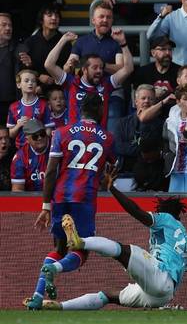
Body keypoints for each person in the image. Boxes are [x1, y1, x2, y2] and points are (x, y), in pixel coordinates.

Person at [41, 168, 187, 310]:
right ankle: (61, 306)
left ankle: (80, 242)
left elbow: (136, 211)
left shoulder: (165, 218)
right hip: (163, 295)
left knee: (122, 251)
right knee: (109, 296)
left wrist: (112, 189)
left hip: (160, 275)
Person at [25, 94, 115, 310]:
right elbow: (110, 172)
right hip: (84, 198)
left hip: (61, 196)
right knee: (81, 250)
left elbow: (50, 171)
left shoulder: (61, 133)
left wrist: (46, 206)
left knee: (59, 246)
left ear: (80, 111)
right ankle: (55, 269)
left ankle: (37, 295)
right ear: (100, 112)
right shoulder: (107, 138)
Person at [44, 30, 134, 129]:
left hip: (98, 139)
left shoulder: (106, 84)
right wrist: (63, 40)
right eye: (95, 68)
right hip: (75, 138)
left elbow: (128, 69)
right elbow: (49, 65)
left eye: (101, 67)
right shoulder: (72, 82)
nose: (99, 71)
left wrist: (123, 43)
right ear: (84, 69)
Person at [113, 84, 166, 173]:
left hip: (153, 172)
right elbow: (118, 147)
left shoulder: (161, 124)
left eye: (151, 99)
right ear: (136, 101)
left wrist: (133, 148)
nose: (147, 101)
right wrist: (144, 150)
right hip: (126, 171)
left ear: (155, 102)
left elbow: (158, 149)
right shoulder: (122, 123)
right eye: (143, 98)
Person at [19, 3, 69, 91]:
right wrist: (37, 76)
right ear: (41, 20)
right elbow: (22, 69)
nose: (54, 18)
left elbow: (66, 72)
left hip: (58, 91)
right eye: (50, 15)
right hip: (34, 89)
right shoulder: (30, 42)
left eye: (57, 15)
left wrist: (45, 86)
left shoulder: (65, 42)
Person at [130, 36, 180, 110]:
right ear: (153, 53)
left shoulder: (179, 71)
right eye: (163, 49)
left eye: (170, 49)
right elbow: (136, 100)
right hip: (149, 114)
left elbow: (183, 97)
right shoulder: (143, 72)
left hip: (173, 115)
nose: (167, 53)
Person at [7, 69, 53, 147]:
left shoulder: (44, 105)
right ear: (18, 85)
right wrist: (18, 125)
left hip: (40, 149)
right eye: (26, 81)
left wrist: (35, 125)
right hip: (21, 149)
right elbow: (11, 134)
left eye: (33, 81)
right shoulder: (13, 107)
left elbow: (49, 131)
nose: (30, 83)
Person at [10, 118, 48, 191]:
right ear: (27, 140)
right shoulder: (20, 157)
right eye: (35, 136)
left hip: (57, 198)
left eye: (42, 134)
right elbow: (18, 190)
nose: (40, 138)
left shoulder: (56, 147)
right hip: (32, 198)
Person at [0, 12, 20, 121]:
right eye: (3, 25)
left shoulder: (18, 48)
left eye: (10, 25)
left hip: (12, 104)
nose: (8, 28)